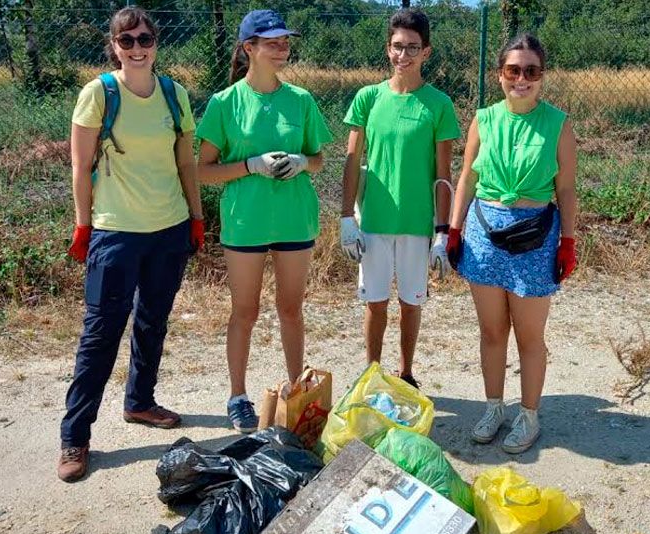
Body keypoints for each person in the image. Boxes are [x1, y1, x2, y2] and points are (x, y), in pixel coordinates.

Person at [58, 7, 203, 482]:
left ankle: (139, 402)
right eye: (127, 42)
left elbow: (186, 163)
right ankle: (75, 438)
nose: (137, 49)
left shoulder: (173, 93)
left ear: (156, 43)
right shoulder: (99, 94)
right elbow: (80, 167)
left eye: (145, 40)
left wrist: (196, 218)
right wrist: (84, 226)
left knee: (153, 320)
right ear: (114, 46)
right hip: (115, 230)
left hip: (168, 229)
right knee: (100, 333)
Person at [195, 9, 332, 433]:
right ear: (248, 48)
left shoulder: (302, 100)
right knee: (245, 311)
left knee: (291, 309)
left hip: (294, 220)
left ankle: (296, 392)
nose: (282, 48)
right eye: (271, 42)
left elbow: (320, 159)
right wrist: (251, 165)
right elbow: (203, 170)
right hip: (246, 222)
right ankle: (238, 396)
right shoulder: (224, 103)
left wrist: (300, 162)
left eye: (285, 41)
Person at [447, 33, 579, 454]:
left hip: (536, 236)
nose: (522, 79)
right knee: (490, 331)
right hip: (484, 233)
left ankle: (529, 414)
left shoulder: (558, 124)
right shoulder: (483, 119)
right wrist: (453, 229)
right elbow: (466, 177)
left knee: (529, 335)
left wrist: (568, 242)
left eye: (531, 71)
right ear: (499, 74)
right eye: (513, 70)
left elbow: (568, 189)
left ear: (542, 77)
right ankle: (493, 407)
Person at [340, 8, 460, 389]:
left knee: (412, 302)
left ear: (426, 52)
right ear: (387, 49)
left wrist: (443, 232)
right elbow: (352, 160)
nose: (403, 55)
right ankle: (372, 373)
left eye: (412, 48)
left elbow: (443, 174)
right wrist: (346, 218)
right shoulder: (367, 98)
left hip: (416, 222)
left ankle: (406, 373)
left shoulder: (438, 104)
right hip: (374, 219)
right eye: (397, 47)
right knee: (375, 302)